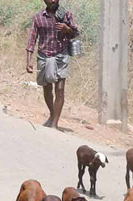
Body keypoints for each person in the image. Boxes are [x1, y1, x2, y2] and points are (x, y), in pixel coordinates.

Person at [26, 0, 78, 130]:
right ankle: (52, 114)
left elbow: (76, 33)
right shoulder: (38, 18)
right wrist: (28, 60)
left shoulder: (66, 15)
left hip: (61, 55)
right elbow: (32, 39)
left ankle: (54, 123)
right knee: (47, 88)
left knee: (60, 89)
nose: (54, 0)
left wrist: (67, 29)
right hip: (44, 56)